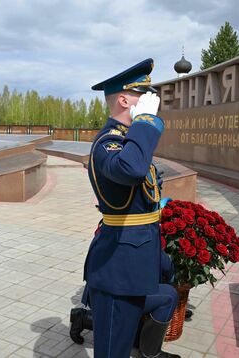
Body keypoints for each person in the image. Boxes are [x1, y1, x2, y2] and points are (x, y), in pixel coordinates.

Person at [80, 58, 180, 358]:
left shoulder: (129, 142)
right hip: (117, 269)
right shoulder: (108, 145)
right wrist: (146, 121)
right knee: (113, 352)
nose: (151, 101)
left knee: (164, 300)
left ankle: (149, 351)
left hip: (135, 260)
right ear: (124, 99)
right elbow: (133, 169)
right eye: (142, 94)